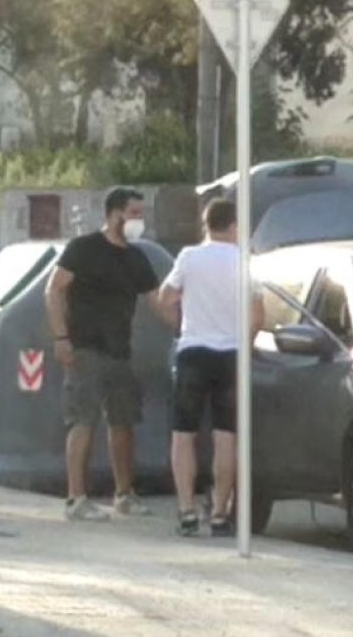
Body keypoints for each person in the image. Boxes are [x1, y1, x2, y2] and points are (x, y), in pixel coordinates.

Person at [46, 187, 159, 522]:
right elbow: (54, 289)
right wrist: (60, 337)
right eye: (134, 213)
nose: (139, 220)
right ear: (114, 213)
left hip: (120, 352)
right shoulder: (84, 248)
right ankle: (76, 498)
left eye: (141, 214)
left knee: (124, 422)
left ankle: (124, 494)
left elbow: (159, 302)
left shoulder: (137, 258)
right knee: (82, 421)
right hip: (85, 349)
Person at [156, 199, 262, 536]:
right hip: (230, 355)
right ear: (234, 226)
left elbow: (165, 298)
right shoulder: (244, 260)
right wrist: (244, 342)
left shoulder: (189, 257)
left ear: (206, 224)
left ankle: (187, 511)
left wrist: (181, 327)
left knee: (183, 434)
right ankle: (219, 514)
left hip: (193, 352)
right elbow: (258, 314)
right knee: (226, 436)